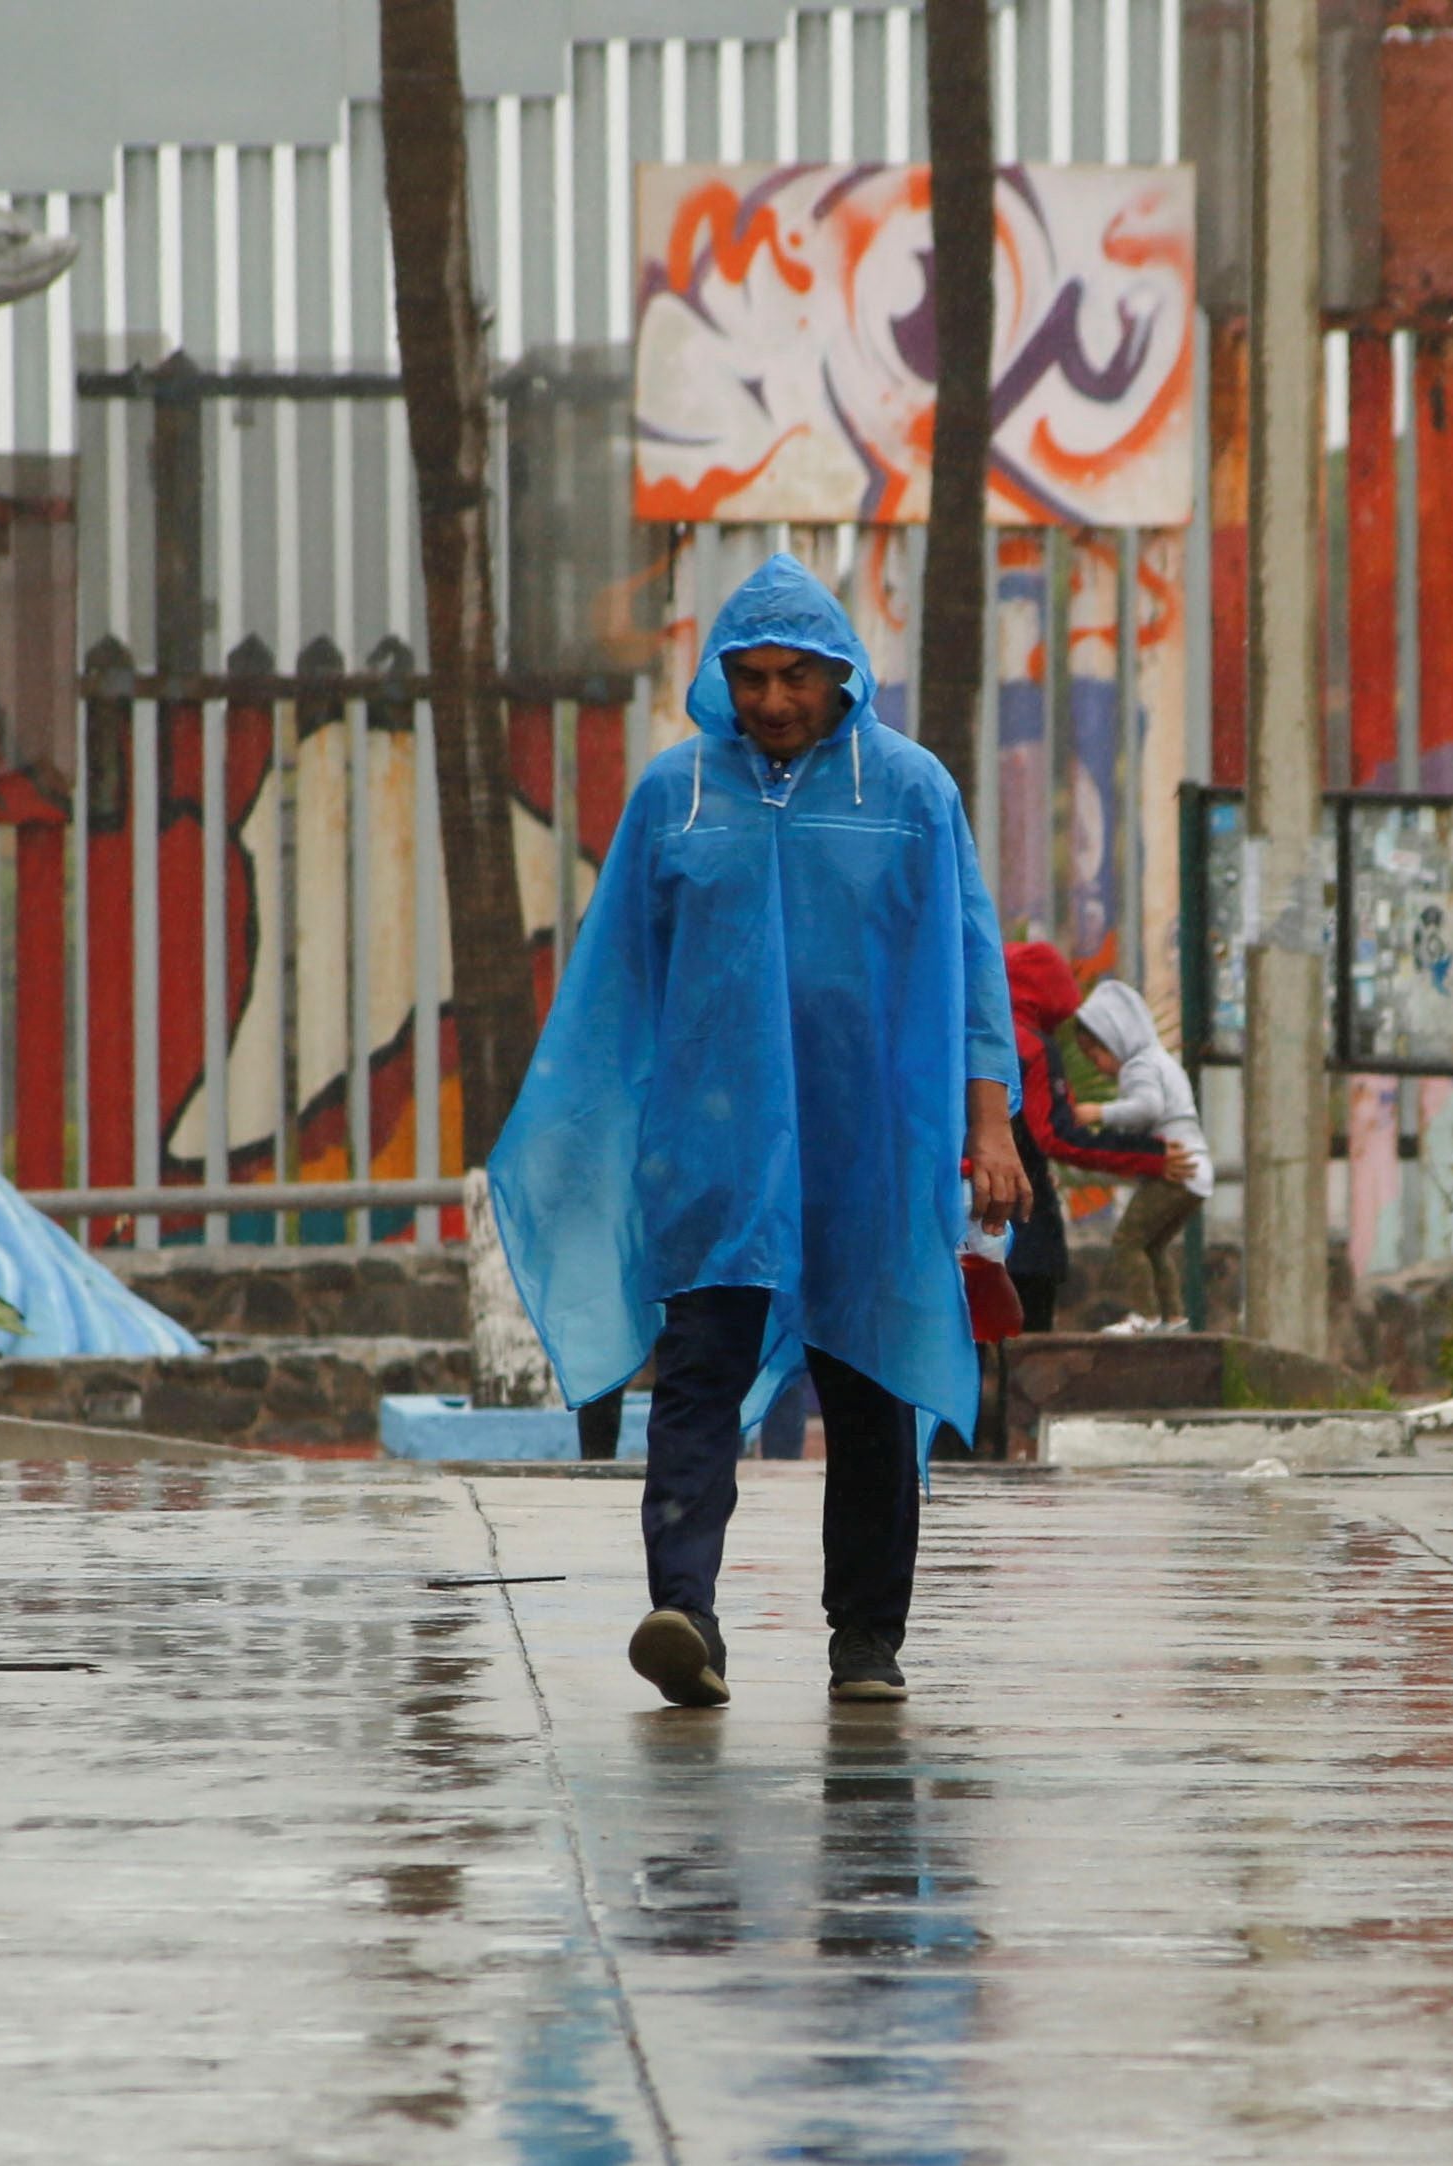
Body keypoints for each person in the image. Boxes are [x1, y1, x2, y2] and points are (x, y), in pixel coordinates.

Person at [486, 553, 1027, 1710]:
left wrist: (991, 1124)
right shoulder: (673, 798)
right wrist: (593, 1140)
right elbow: (614, 987)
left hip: (868, 1154)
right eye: (751, 678)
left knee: (871, 1387)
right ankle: (684, 1613)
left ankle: (865, 1641)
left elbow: (971, 966)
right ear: (719, 679)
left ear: (843, 677)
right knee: (696, 1380)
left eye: (797, 677)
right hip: (715, 1154)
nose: (774, 702)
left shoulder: (914, 795)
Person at [998, 941, 1186, 1324]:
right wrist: (1150, 1155)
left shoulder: (965, 1036)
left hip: (957, 1231)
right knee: (1026, 1369)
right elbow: (1056, 1135)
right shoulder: (1031, 1047)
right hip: (1021, 1234)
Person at [1071, 973, 1212, 1325]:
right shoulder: (1160, 1060)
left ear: (1117, 1038)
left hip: (1176, 1165)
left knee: (1127, 1240)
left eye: (1097, 1054)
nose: (1097, 1065)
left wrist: (1098, 1113)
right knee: (1154, 1246)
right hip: (1195, 1166)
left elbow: (1147, 1108)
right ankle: (1174, 1317)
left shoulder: (1139, 1066)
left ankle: (1145, 1316)